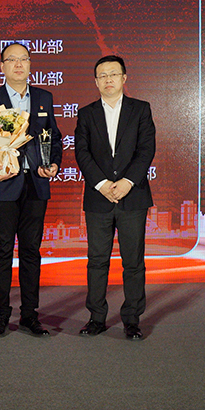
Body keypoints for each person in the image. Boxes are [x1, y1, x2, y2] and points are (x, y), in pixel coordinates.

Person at [0, 42, 62, 337]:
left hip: (35, 184)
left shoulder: (44, 98)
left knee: (31, 251)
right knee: (1, 251)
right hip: (3, 186)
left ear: (31, 64)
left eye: (24, 59)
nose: (19, 64)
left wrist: (53, 164)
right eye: (12, 60)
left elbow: (54, 138)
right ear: (2, 66)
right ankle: (0, 316)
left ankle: (30, 315)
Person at [74, 55, 156, 340]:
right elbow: (82, 152)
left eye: (113, 74)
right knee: (97, 260)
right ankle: (96, 318)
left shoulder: (141, 109)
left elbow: (146, 149)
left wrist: (127, 182)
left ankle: (132, 320)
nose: (108, 79)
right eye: (102, 75)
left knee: (133, 261)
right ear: (96, 81)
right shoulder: (86, 113)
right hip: (99, 197)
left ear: (124, 78)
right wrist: (102, 184)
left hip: (133, 197)